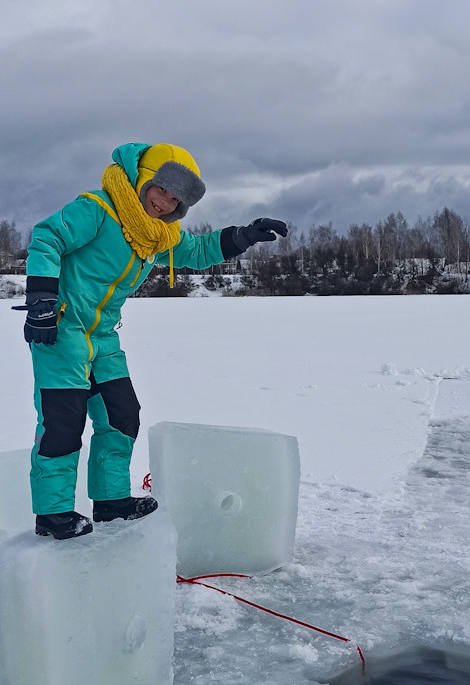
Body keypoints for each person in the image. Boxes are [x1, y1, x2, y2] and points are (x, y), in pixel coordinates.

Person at [14, 142, 287, 540]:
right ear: (144, 178)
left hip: (103, 337)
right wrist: (41, 300)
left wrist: (244, 236)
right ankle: (53, 513)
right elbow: (47, 238)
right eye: (161, 189)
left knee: (121, 415)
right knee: (62, 424)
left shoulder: (155, 235)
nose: (164, 202)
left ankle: (111, 501)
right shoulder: (98, 209)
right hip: (62, 330)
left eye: (175, 199)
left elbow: (197, 250)